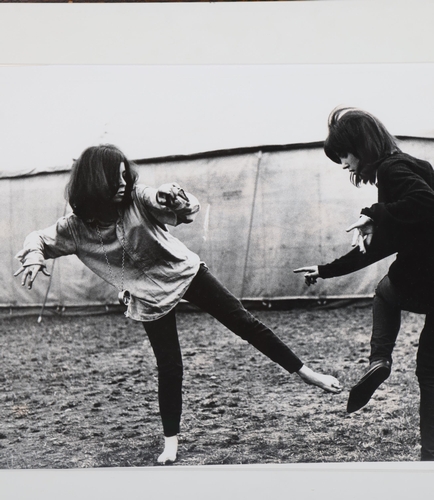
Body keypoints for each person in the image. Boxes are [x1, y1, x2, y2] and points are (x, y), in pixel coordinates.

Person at [14, 144, 341, 465]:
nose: (124, 184)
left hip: (184, 272)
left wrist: (174, 197)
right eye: (116, 179)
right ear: (94, 182)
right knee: (170, 366)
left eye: (126, 176)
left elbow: (177, 209)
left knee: (244, 323)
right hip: (148, 296)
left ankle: (308, 373)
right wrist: (33, 257)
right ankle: (171, 442)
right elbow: (39, 239)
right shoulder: (74, 228)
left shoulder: (138, 198)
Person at [294, 107, 434, 461]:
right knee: (433, 372)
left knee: (385, 291)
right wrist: (324, 269)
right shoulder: (404, 172)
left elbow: (425, 204)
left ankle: (379, 359)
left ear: (361, 147)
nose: (343, 165)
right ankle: (433, 460)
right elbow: (379, 245)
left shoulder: (392, 169)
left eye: (344, 155)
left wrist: (374, 212)